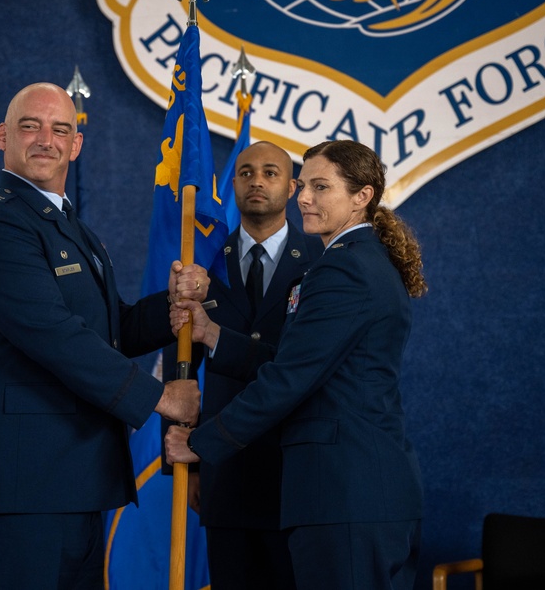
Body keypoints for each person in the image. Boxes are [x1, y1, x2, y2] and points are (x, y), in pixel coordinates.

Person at [0, 82, 204, 590]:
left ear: (76, 144)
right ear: (3, 136)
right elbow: (54, 335)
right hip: (16, 491)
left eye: (60, 129)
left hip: (70, 483)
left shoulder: (72, 229)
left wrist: (170, 308)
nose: (46, 139)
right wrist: (159, 397)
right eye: (30, 126)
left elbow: (106, 331)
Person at [166, 139, 427, 590]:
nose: (304, 197)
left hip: (343, 495)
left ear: (361, 196)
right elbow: (297, 361)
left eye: (321, 187)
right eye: (304, 185)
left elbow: (290, 378)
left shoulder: (341, 269)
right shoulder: (362, 260)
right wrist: (212, 335)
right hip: (361, 494)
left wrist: (204, 443)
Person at [170, 141, 323, 589]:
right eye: (247, 172)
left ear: (293, 187)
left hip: (292, 469)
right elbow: (178, 364)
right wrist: (192, 465)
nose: (257, 180)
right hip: (224, 471)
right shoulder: (201, 262)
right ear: (232, 184)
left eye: (271, 172)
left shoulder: (321, 261)